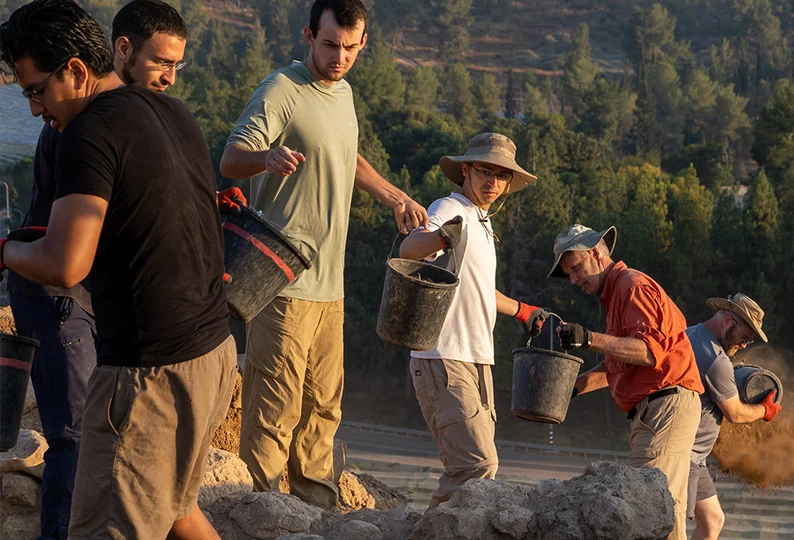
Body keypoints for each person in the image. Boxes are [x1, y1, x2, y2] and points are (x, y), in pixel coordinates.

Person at [0, 1, 234, 537]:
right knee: (178, 514)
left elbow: (63, 264)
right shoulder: (171, 111)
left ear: (77, 70)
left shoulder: (85, 132)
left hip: (146, 374)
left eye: (36, 90)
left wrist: (4, 251)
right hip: (212, 354)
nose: (36, 109)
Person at [219, 0, 428, 510]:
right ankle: (262, 513)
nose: (339, 57)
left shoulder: (344, 92)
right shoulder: (282, 90)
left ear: (363, 45)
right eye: (330, 44)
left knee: (323, 410)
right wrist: (265, 157)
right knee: (274, 409)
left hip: (329, 285)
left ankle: (317, 514)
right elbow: (230, 158)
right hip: (281, 281)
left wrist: (395, 196)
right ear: (308, 35)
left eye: (350, 48)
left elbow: (344, 152)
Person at [398, 133, 547, 508]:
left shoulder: (482, 221)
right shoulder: (450, 208)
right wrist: (443, 239)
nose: (492, 182)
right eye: (485, 171)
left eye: (501, 176)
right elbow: (410, 248)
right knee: (476, 466)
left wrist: (525, 311)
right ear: (466, 169)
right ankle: (429, 533)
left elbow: (480, 290)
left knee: (479, 477)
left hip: (477, 360)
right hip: (443, 357)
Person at [552, 225, 704, 540]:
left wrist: (589, 338)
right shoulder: (617, 294)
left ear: (596, 252)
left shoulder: (632, 286)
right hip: (654, 412)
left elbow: (649, 352)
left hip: (665, 406)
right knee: (656, 508)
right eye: (568, 274)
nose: (573, 279)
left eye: (576, 268)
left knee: (654, 506)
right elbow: (616, 367)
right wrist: (565, 388)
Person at [686, 294, 781, 540]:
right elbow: (735, 413)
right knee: (671, 528)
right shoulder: (717, 360)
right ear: (729, 322)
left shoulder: (690, 334)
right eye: (745, 338)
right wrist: (765, 410)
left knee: (712, 521)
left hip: (696, 457)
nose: (744, 345)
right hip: (685, 456)